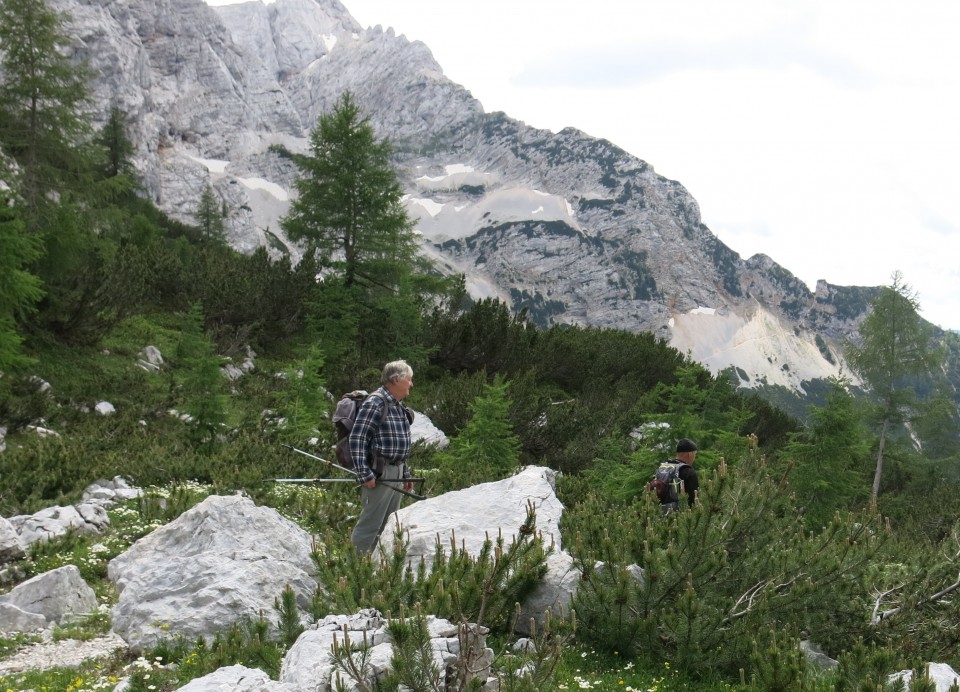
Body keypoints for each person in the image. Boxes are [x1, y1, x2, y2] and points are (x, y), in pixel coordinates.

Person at [349, 360, 415, 553]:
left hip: (396, 472)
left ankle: (376, 568)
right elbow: (357, 438)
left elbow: (399, 445)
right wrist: (364, 473)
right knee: (371, 524)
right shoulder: (375, 403)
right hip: (380, 472)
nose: (411, 384)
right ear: (396, 380)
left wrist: (405, 473)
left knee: (389, 524)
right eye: (409, 380)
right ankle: (352, 569)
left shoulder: (398, 406)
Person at [660, 438, 700, 513]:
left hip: (660, 515)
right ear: (690, 454)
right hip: (680, 516)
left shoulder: (664, 468)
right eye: (694, 454)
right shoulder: (688, 472)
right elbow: (694, 499)